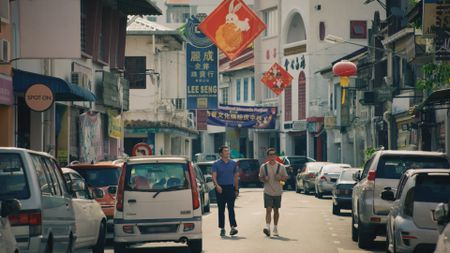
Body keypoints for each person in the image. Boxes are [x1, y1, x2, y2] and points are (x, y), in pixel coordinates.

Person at [259, 148, 288, 237]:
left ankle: (275, 228)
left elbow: (285, 179)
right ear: (268, 156)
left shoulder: (281, 166)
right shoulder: (263, 167)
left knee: (276, 210)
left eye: (273, 154)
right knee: (268, 210)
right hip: (267, 191)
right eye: (270, 155)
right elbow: (260, 178)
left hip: (278, 192)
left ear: (275, 156)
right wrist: (264, 179)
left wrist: (281, 179)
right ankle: (267, 228)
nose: (272, 156)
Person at [211, 145, 239, 237]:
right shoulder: (216, 164)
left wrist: (236, 188)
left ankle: (232, 227)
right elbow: (214, 177)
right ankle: (222, 228)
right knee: (221, 209)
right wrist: (217, 186)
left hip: (230, 188)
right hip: (220, 189)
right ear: (221, 153)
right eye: (226, 151)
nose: (228, 152)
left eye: (228, 151)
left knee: (231, 208)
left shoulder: (233, 163)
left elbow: (236, 177)